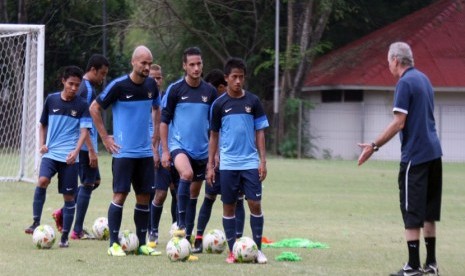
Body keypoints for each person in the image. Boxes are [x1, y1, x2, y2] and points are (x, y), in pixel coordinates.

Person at [358, 42, 442, 276]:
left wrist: (373, 146)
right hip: (434, 153)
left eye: (388, 62)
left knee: (412, 211)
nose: (388, 66)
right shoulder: (424, 79)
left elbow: (399, 122)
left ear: (395, 60)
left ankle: (413, 266)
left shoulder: (404, 83)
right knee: (428, 212)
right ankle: (431, 265)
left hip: (415, 156)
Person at [89, 45, 161, 257]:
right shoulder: (118, 86)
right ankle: (113, 244)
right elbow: (94, 108)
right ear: (133, 62)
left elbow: (157, 107)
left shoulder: (151, 85)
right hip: (124, 153)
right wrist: (105, 137)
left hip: (145, 153)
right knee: (120, 195)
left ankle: (140, 244)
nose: (147, 67)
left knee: (144, 197)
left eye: (149, 63)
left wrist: (155, 134)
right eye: (143, 63)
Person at [206, 57, 269, 264]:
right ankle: (233, 252)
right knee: (229, 207)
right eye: (234, 77)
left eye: (241, 77)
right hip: (228, 164)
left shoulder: (253, 101)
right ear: (226, 78)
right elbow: (214, 135)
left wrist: (263, 160)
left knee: (255, 204)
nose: (238, 81)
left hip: (250, 162)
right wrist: (211, 164)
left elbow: (260, 131)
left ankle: (258, 250)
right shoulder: (219, 105)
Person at [160, 47, 217, 261]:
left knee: (194, 196)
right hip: (179, 146)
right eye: (191, 64)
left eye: (199, 64)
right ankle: (180, 226)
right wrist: (165, 150)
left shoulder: (210, 92)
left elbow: (215, 128)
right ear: (184, 66)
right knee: (186, 174)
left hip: (203, 150)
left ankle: (187, 241)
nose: (196, 68)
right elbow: (164, 122)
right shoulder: (175, 90)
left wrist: (214, 155)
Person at [24, 66, 91, 249]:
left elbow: (84, 131)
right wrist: (42, 144)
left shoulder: (82, 104)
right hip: (51, 153)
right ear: (63, 81)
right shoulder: (51, 99)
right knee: (42, 181)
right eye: (70, 84)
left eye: (77, 85)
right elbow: (42, 124)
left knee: (69, 197)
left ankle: (64, 238)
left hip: (70, 157)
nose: (74, 88)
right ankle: (36, 222)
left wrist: (76, 152)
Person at [52, 54, 109, 239]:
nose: (103, 78)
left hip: (85, 144)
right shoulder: (85, 89)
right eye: (101, 73)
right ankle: (76, 230)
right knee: (88, 183)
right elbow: (82, 122)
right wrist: (91, 149)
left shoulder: (87, 87)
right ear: (92, 70)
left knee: (94, 182)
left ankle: (63, 211)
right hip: (85, 145)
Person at [192, 68, 246, 253]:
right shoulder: (216, 106)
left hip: (234, 161)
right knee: (209, 198)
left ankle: (238, 241)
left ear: (221, 87)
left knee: (238, 200)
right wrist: (212, 158)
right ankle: (198, 239)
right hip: (218, 162)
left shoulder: (236, 103)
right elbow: (212, 134)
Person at [147, 64, 179, 248]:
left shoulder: (168, 97)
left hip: (173, 152)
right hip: (154, 154)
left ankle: (177, 229)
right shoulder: (144, 99)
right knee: (159, 194)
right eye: (153, 77)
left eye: (159, 78)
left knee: (177, 192)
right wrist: (153, 151)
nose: (156, 81)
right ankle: (153, 231)